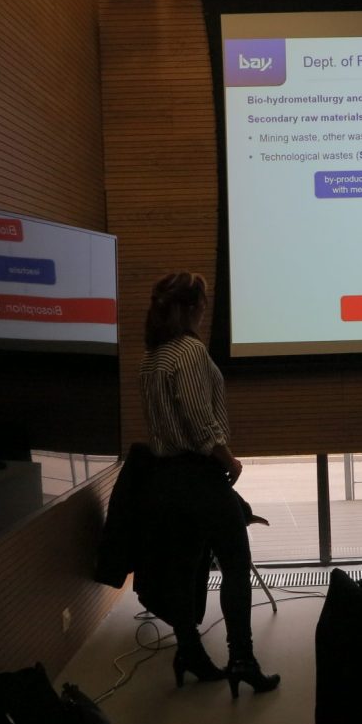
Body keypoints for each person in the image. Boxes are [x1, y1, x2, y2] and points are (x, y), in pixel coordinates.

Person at [139, 271, 278, 698]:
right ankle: (243, 660)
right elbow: (201, 423)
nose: (205, 309)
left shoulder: (153, 356)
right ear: (190, 308)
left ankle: (190, 652)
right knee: (235, 564)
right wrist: (228, 459)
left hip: (165, 480)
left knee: (184, 568)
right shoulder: (190, 352)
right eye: (202, 302)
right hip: (198, 477)